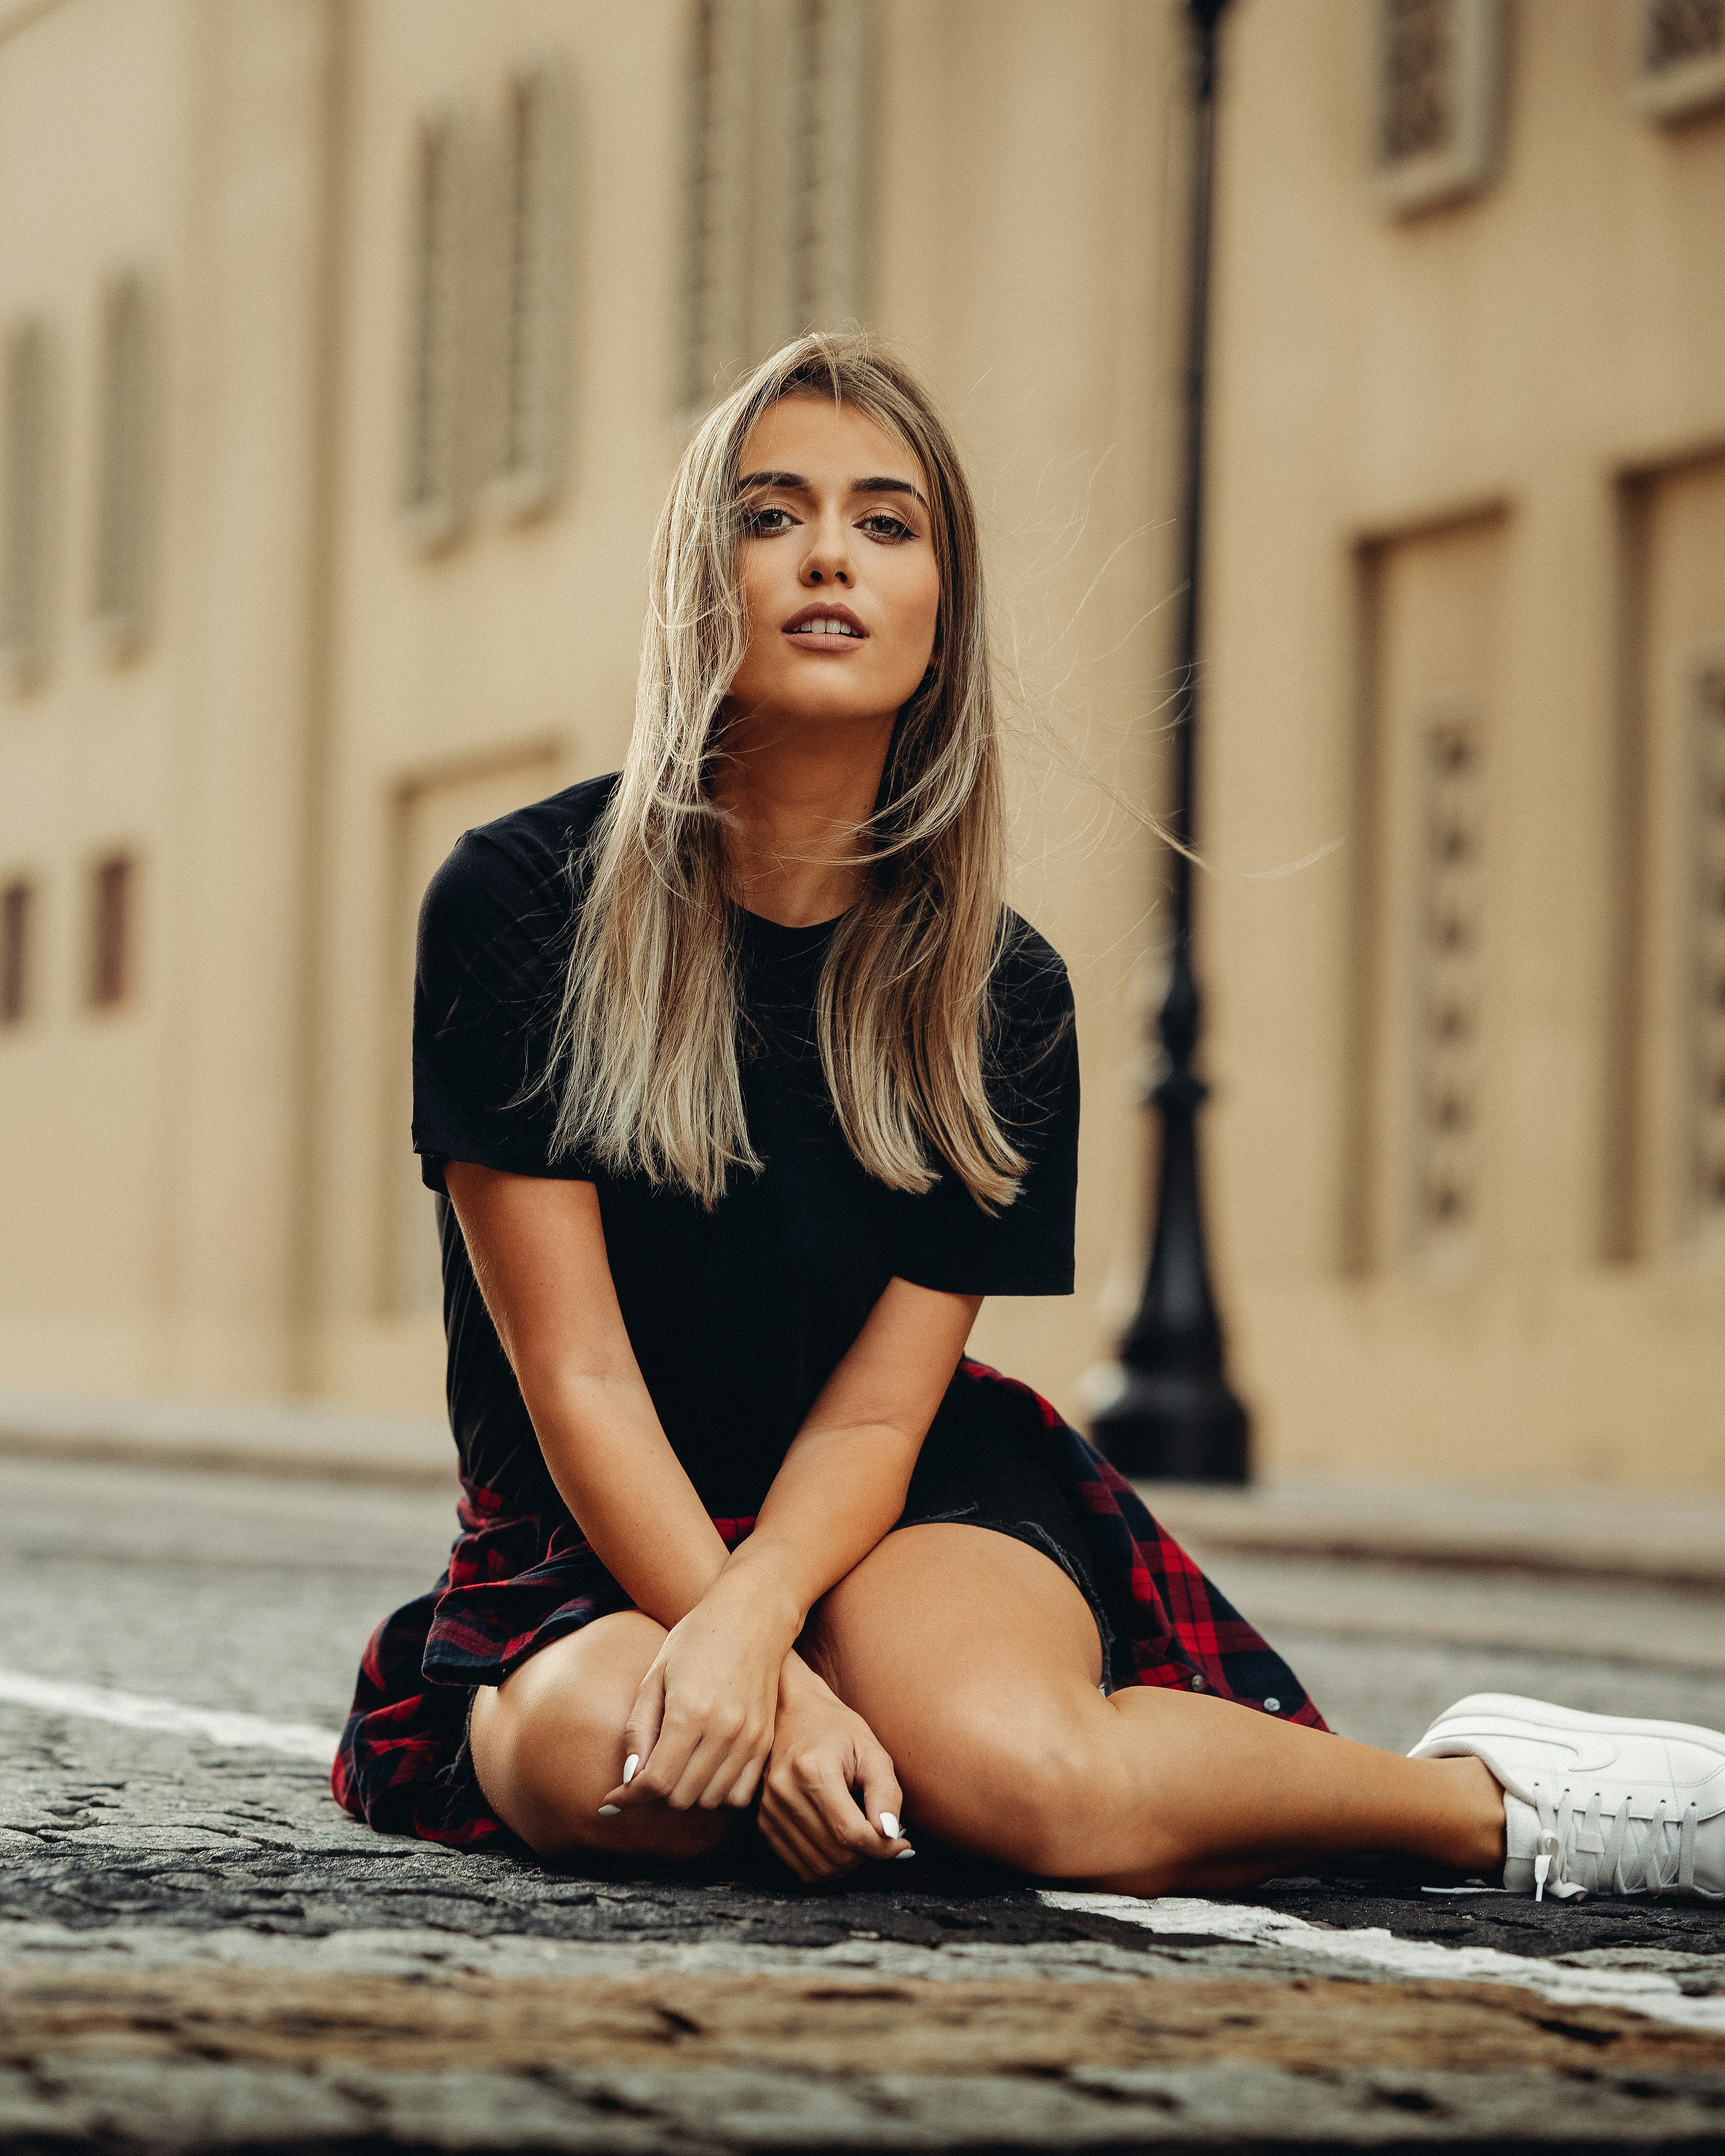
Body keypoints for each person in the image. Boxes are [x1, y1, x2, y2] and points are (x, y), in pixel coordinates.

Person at [334, 334, 1724, 1905]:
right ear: (697, 580)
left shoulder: (996, 996)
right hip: (593, 1533)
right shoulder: (522, 906)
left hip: (891, 1483)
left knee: (1031, 1790)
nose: (829, 557)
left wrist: (761, 1629)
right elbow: (578, 1375)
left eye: (887, 519)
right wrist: (765, 1678)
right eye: (771, 513)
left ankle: (1498, 1805)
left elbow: (873, 1415)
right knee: (643, 1778)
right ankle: (846, 1718)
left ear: (942, 606)